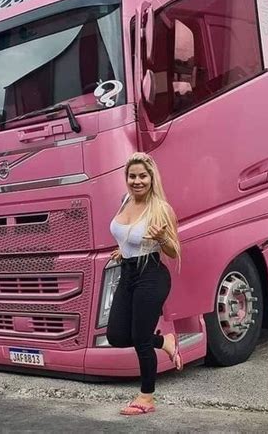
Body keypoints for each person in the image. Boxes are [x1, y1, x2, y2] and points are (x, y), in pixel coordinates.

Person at [107, 152, 182, 416]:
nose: (137, 181)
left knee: (140, 338)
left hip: (151, 274)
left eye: (143, 176)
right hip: (128, 272)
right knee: (115, 335)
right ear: (126, 178)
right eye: (132, 176)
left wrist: (161, 238)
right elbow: (125, 233)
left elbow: (173, 251)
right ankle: (164, 343)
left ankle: (146, 398)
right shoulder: (125, 200)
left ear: (152, 178)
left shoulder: (161, 209)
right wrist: (123, 249)